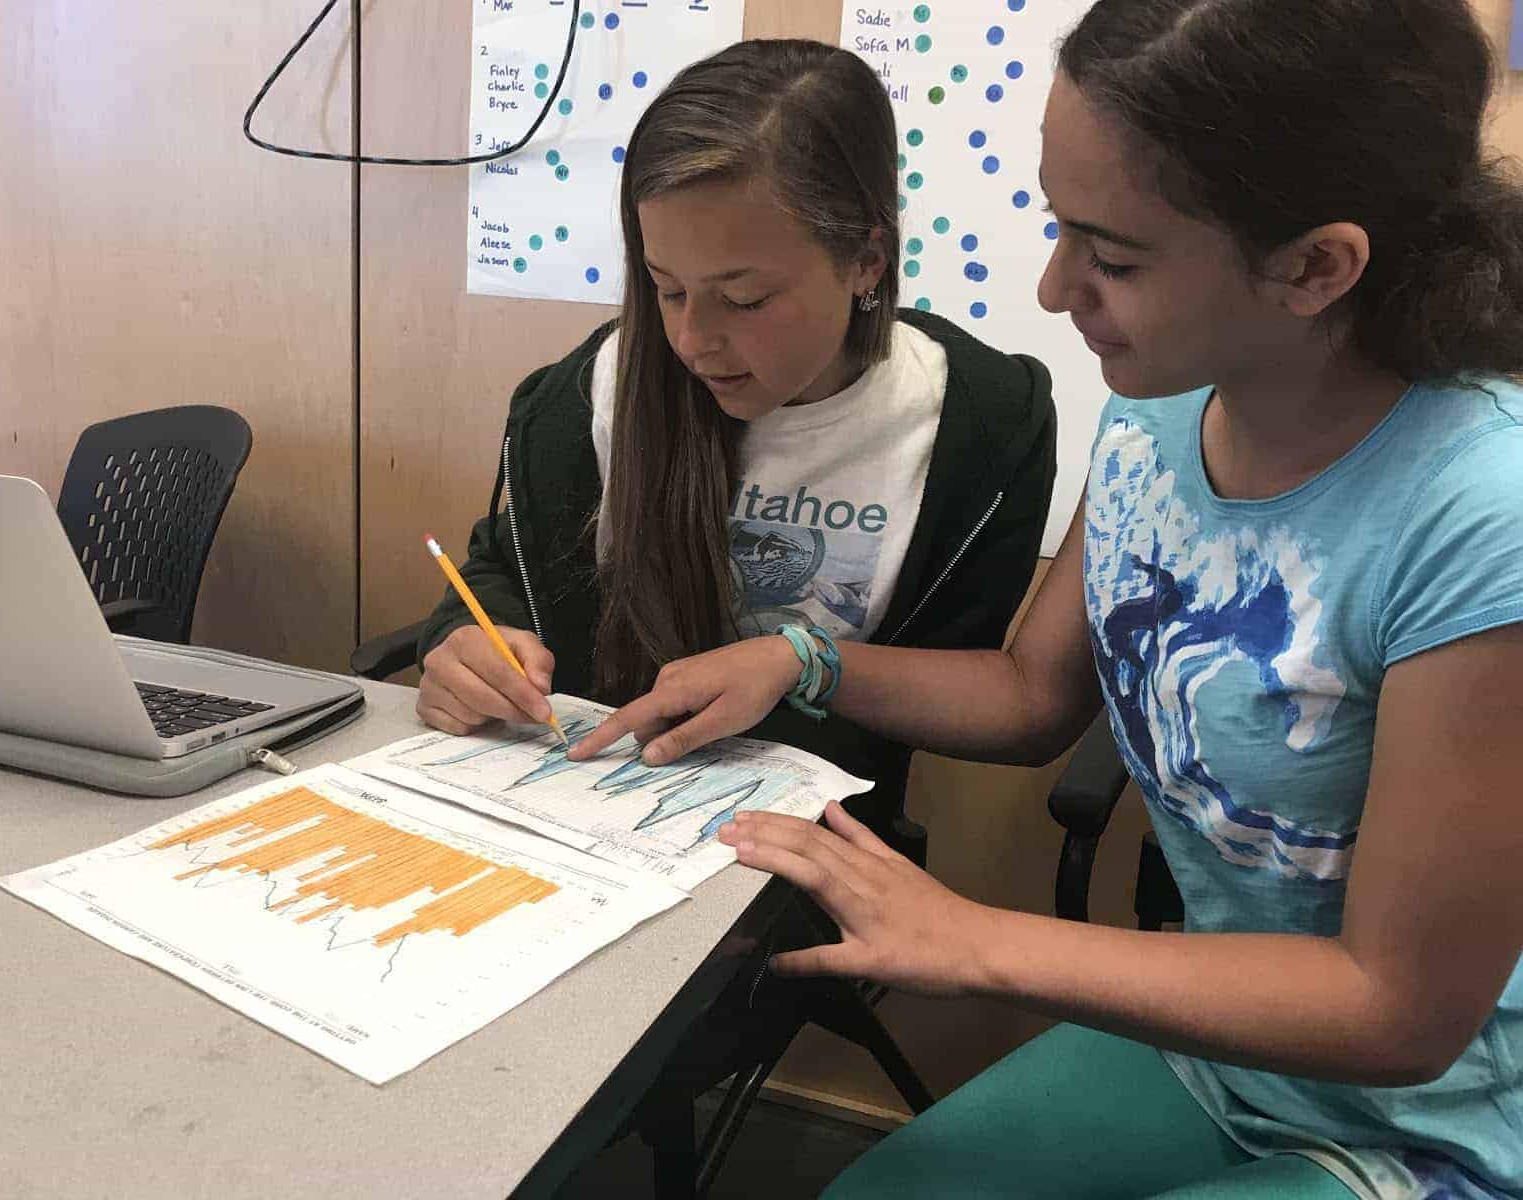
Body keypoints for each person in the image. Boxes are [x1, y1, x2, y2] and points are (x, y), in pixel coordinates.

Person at [568, 2, 1523, 1195]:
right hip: (1226, 1053)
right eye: (1057, 225)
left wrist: (979, 942)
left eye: (1113, 257)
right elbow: (1030, 696)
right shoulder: (1160, 407)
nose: (1054, 285)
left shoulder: (1484, 513)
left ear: (1316, 266)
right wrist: (802, 663)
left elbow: (1399, 1011)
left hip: (1446, 1114)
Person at [416, 38, 1057, 848]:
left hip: (801, 858)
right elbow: (500, 572)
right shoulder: (589, 391)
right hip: (566, 825)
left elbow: (988, 697)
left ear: (866, 259)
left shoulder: (982, 425)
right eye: (666, 288)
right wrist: (465, 643)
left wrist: (808, 663)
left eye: (744, 300)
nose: (691, 341)